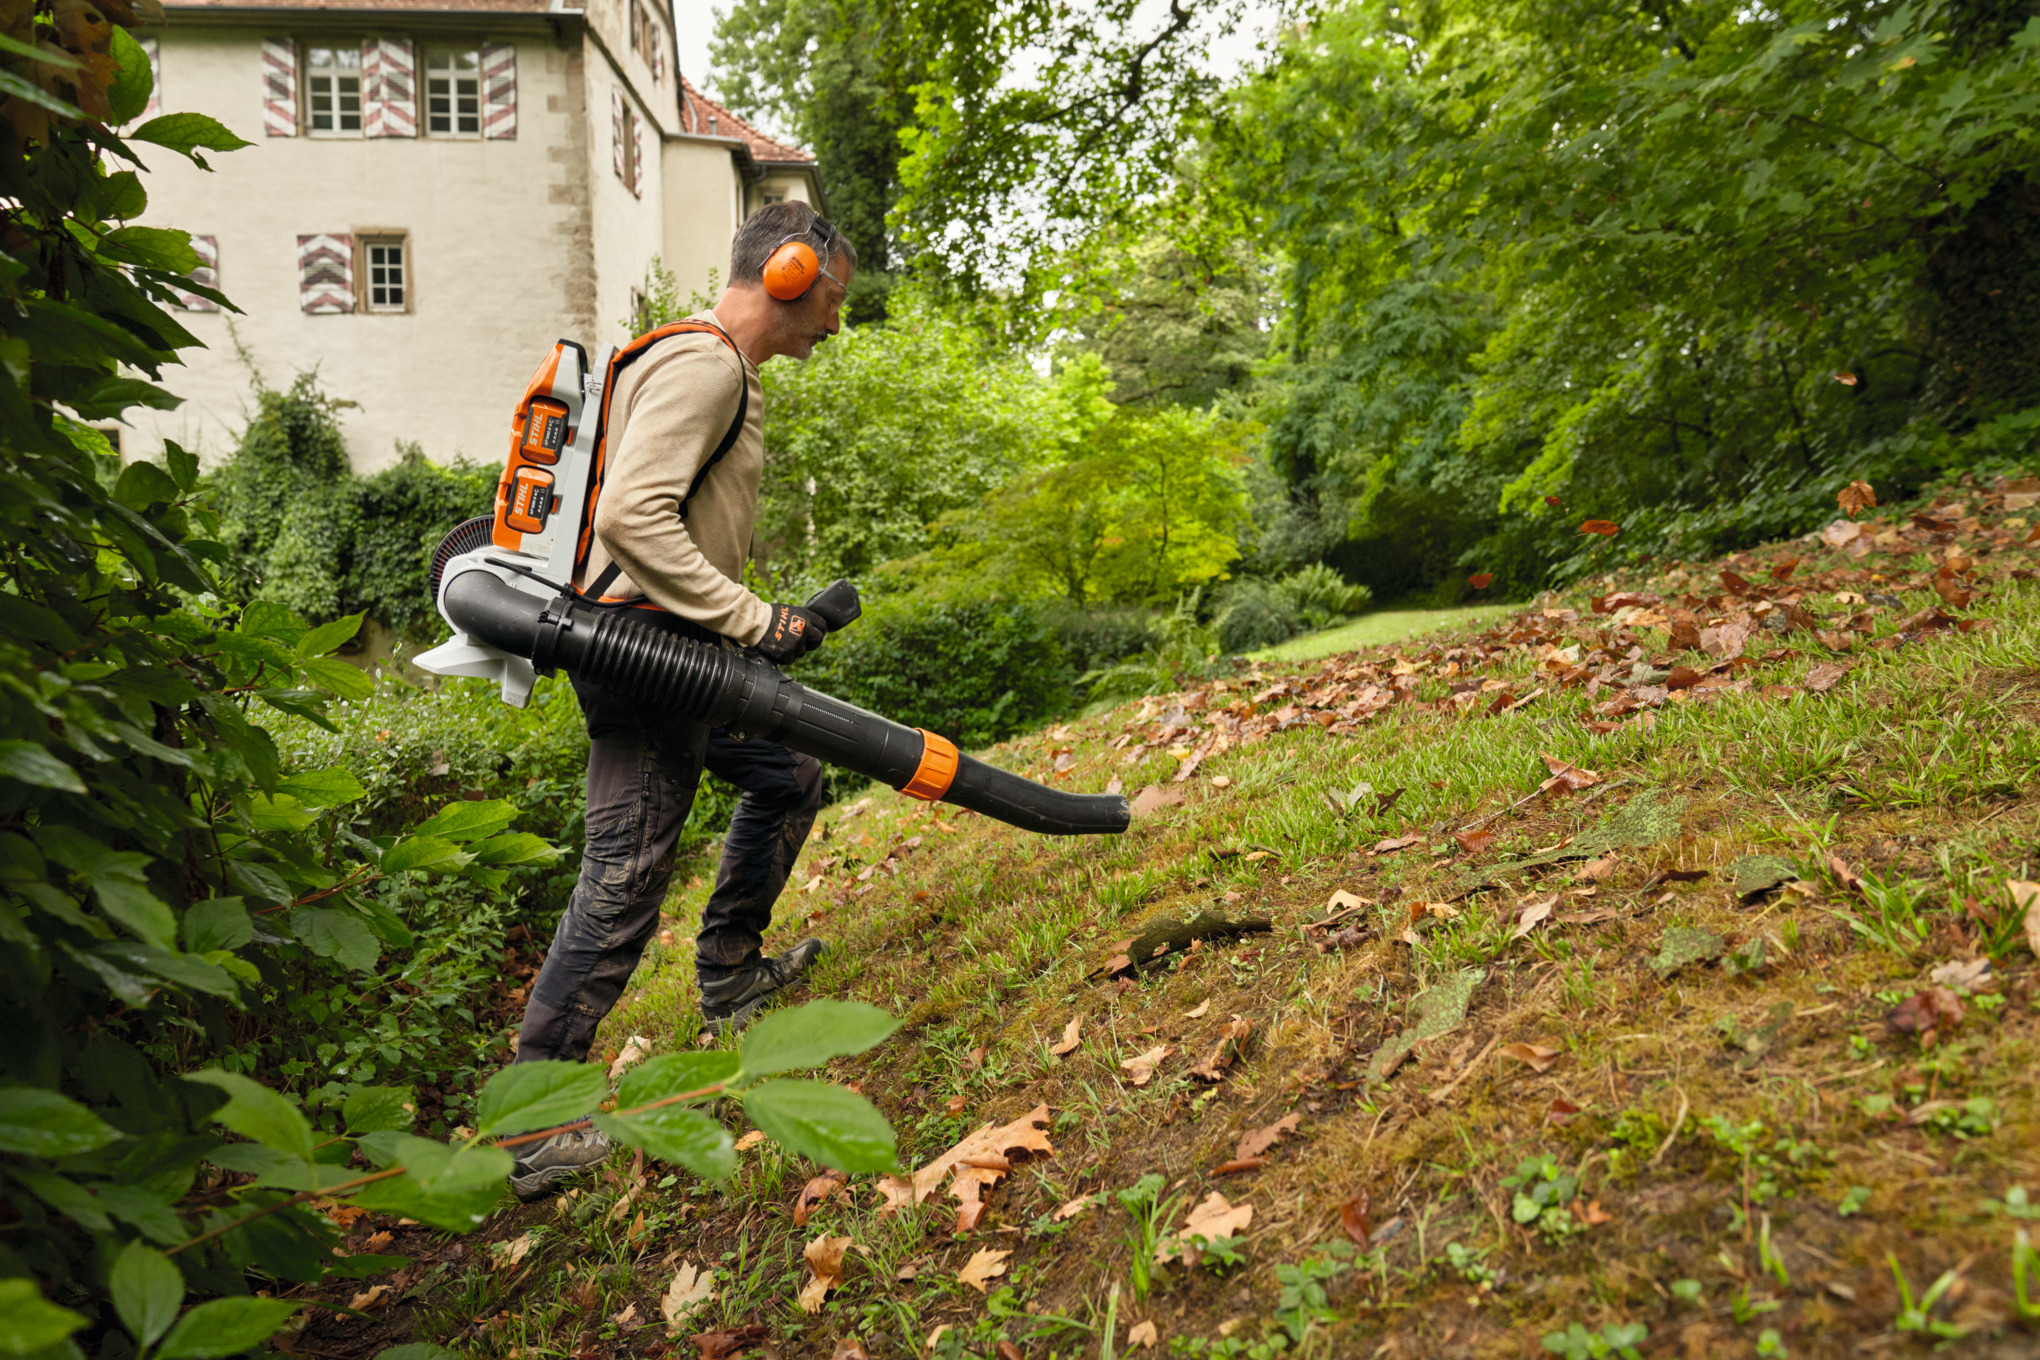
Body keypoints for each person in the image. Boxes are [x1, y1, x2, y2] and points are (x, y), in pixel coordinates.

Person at [508, 201, 856, 1202]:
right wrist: (752, 618)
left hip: (677, 650)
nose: (836, 324)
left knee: (787, 771)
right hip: (651, 657)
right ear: (792, 272)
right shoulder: (707, 364)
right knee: (623, 879)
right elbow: (630, 517)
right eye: (834, 299)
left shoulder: (702, 363)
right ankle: (536, 1127)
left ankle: (731, 973)